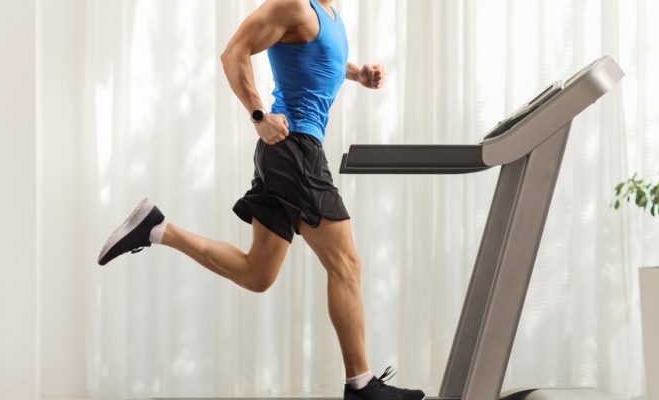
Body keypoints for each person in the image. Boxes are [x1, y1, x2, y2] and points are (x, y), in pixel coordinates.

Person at [96, 1, 425, 399]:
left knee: (257, 274)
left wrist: (359, 74)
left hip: (288, 153)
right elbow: (233, 51)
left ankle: (157, 228)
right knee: (347, 264)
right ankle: (362, 386)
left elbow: (321, 59)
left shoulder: (328, 15)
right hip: (295, 149)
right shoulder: (294, 5)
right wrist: (257, 115)